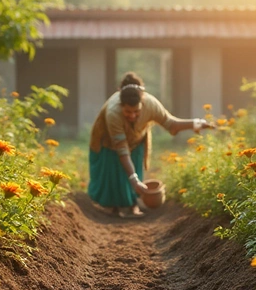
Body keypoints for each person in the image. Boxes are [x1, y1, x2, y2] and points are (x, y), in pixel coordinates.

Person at [88, 72, 214, 217]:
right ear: (120, 105)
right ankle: (112, 208)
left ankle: (132, 205)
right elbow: (122, 149)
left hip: (136, 142)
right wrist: (133, 179)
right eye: (128, 111)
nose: (133, 115)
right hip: (109, 144)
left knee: (134, 168)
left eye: (137, 111)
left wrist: (196, 123)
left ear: (143, 102)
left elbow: (172, 124)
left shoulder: (151, 104)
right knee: (115, 173)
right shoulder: (113, 113)